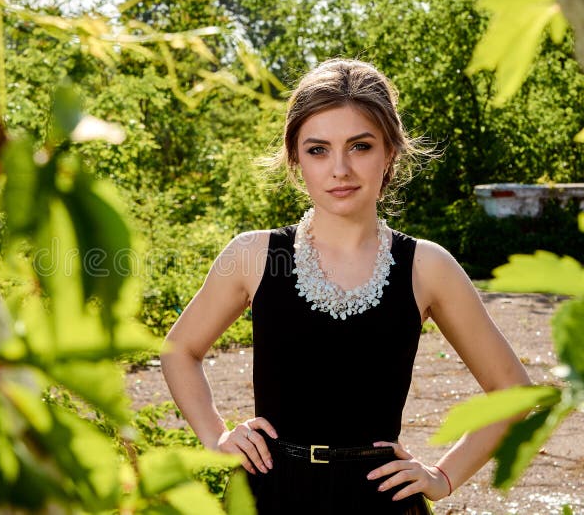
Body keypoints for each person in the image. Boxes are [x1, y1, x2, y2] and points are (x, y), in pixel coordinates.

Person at [160, 58, 531, 514]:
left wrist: (442, 477)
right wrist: (215, 435)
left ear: (390, 151)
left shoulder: (426, 266)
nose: (339, 169)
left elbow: (512, 391)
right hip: (268, 496)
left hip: (378, 500)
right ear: (295, 157)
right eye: (318, 149)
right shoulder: (254, 256)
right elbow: (179, 350)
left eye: (360, 146)